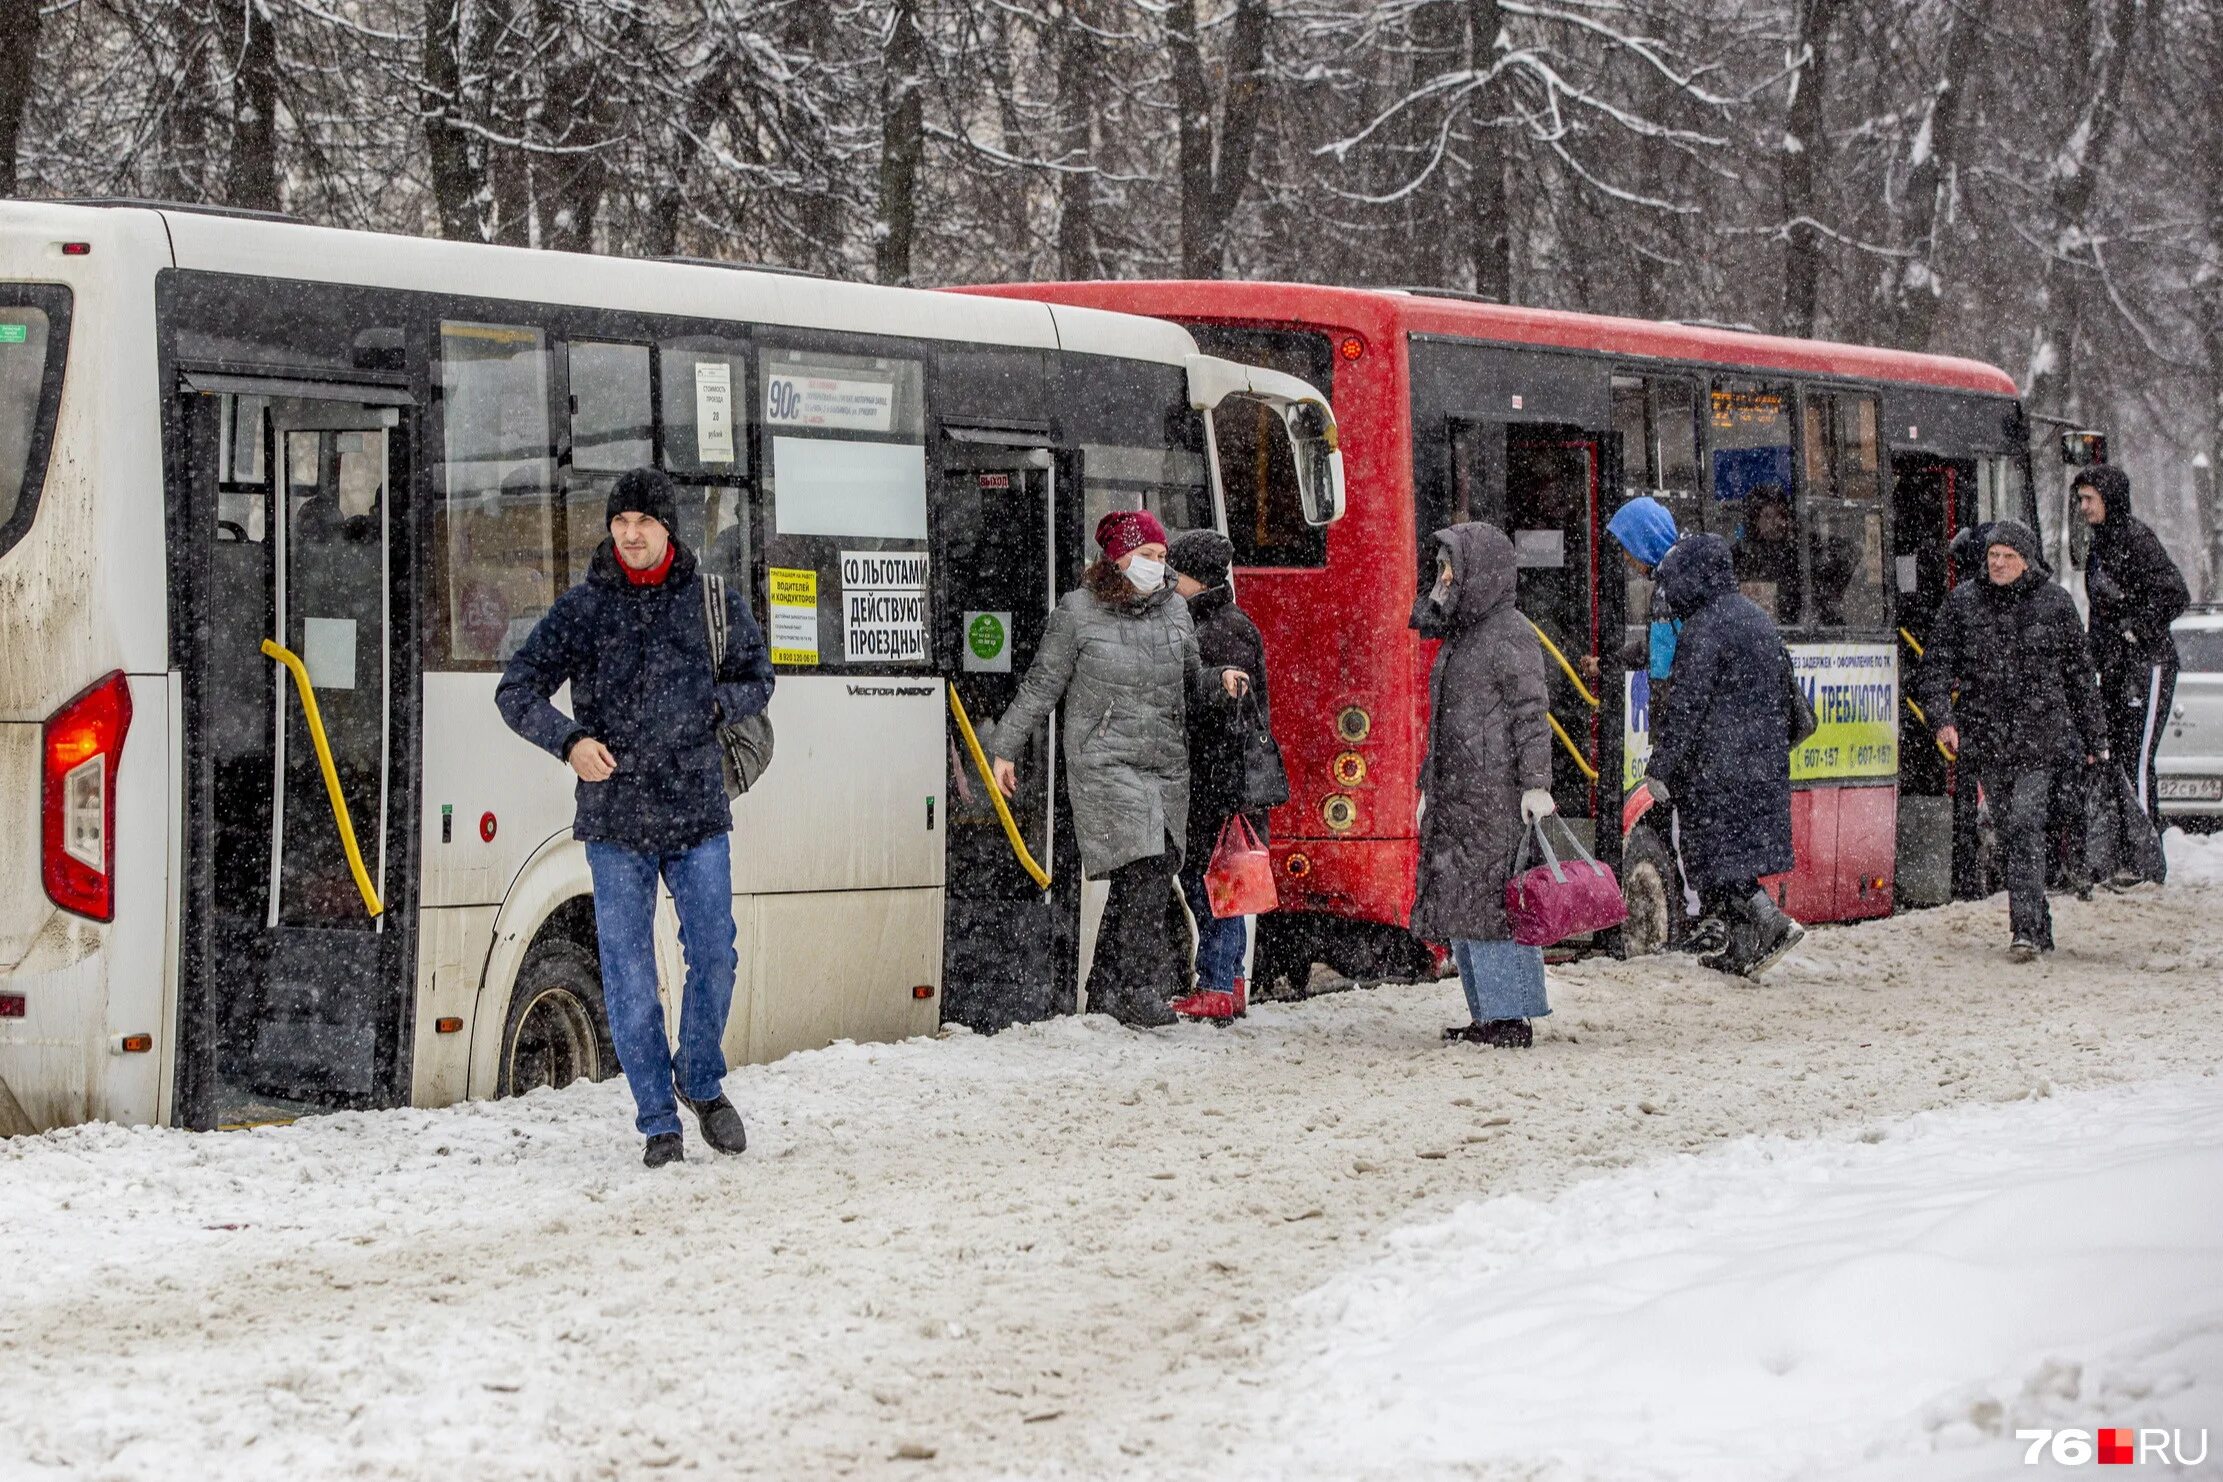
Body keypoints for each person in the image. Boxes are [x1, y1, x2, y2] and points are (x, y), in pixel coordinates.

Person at [496, 467, 774, 1168]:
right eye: (620, 522)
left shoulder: (712, 602)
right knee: (626, 972)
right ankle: (658, 1122)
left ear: (668, 529)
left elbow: (757, 677)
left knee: (714, 953)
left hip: (695, 807)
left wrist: (715, 708)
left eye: (643, 523)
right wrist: (568, 741)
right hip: (615, 817)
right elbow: (516, 689)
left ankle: (701, 1081)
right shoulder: (583, 610)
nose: (630, 534)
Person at [988, 510, 1250, 1027]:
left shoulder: (1175, 611)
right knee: (1146, 870)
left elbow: (1189, 681)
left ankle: (1105, 986)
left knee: (1144, 873)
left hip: (1165, 764)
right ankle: (1135, 988)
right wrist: (1005, 748)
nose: (1158, 565)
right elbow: (1042, 685)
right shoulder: (1078, 613)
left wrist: (1218, 682)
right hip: (1106, 762)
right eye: (1148, 556)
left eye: (1161, 556)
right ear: (1119, 557)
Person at [1913, 520, 2106, 961]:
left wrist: (2096, 739)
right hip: (1987, 741)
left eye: (2007, 557)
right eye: (1992, 556)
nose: (1998, 564)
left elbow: (2080, 677)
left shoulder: (2055, 604)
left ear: (2026, 561)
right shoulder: (1963, 603)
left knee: (2024, 824)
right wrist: (1942, 719)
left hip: (2043, 740)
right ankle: (2039, 924)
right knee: (2011, 830)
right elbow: (1935, 666)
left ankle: (2023, 931)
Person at [1408, 522, 1555, 1048]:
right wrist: (1430, 785)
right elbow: (1446, 724)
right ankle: (1488, 1015)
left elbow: (1530, 715)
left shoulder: (1509, 631)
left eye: (1450, 566)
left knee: (1493, 909)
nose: (1443, 576)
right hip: (1462, 794)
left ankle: (1510, 1018)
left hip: (1495, 797)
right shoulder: (1464, 632)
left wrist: (1536, 785)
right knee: (1467, 909)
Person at [1634, 534, 1805, 978]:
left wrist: (1661, 768)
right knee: (1734, 857)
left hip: (1717, 769)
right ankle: (1744, 949)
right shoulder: (1757, 618)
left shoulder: (1705, 629)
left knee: (1717, 861)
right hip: (1762, 765)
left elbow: (1687, 706)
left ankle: (1773, 923)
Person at [1164, 529, 1271, 1021]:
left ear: (1196, 579)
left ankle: (1216, 985)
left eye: (1176, 574)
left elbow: (1227, 716)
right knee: (1226, 882)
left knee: (1214, 884)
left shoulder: (1219, 629)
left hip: (1218, 784)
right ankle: (1230, 983)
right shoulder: (1229, 623)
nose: (1170, 582)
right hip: (1225, 783)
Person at [2076, 465, 2188, 844]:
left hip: (2148, 665)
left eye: (2089, 499)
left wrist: (2135, 628)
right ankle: (2122, 845)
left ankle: (2143, 850)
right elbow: (2100, 613)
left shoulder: (2137, 539)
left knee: (2138, 759)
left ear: (2110, 498)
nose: (2084, 507)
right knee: (2118, 756)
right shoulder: (2098, 545)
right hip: (2116, 668)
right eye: (2080, 500)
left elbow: (2176, 593)